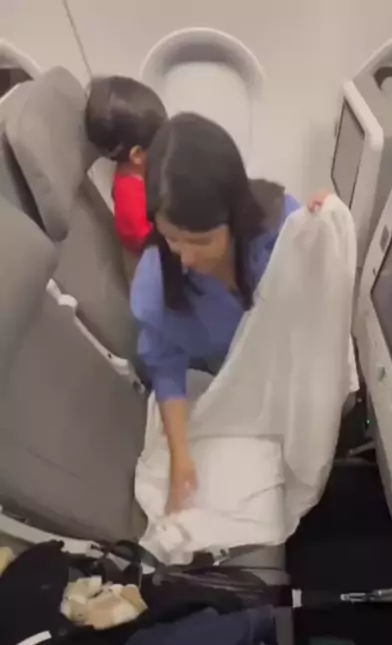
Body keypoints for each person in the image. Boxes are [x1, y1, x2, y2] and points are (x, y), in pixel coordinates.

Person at [131, 112, 329, 514]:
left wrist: (324, 230)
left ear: (234, 217)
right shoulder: (157, 285)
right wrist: (181, 457)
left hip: (291, 371)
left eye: (201, 241)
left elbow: (321, 291)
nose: (186, 257)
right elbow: (166, 367)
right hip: (236, 387)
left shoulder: (280, 230)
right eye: (172, 239)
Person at [85, 76, 167, 261]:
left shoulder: (138, 167)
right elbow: (153, 248)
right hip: (148, 254)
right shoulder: (131, 206)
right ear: (137, 155)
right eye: (161, 138)